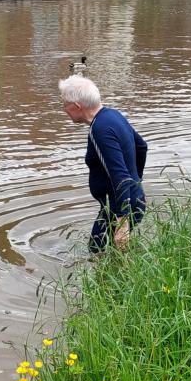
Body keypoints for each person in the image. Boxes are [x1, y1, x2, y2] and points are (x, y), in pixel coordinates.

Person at [59, 75, 147, 253]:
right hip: (130, 200)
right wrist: (136, 182)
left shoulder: (99, 130)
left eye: (64, 104)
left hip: (119, 208)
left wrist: (122, 223)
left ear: (77, 106)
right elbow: (142, 147)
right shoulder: (113, 115)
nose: (64, 109)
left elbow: (119, 176)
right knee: (106, 253)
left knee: (97, 250)